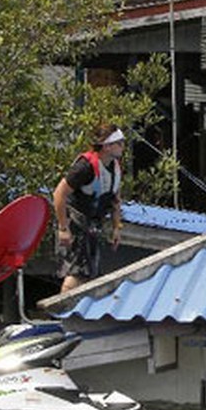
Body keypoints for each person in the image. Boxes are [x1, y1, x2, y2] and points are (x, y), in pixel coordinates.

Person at [53, 124, 125, 294]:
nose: (123, 146)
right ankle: (64, 313)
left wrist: (116, 227)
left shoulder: (114, 166)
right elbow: (59, 194)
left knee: (91, 273)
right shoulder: (85, 167)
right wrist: (63, 228)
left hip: (94, 224)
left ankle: (79, 313)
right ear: (107, 146)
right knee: (76, 272)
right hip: (75, 223)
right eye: (119, 143)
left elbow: (115, 200)